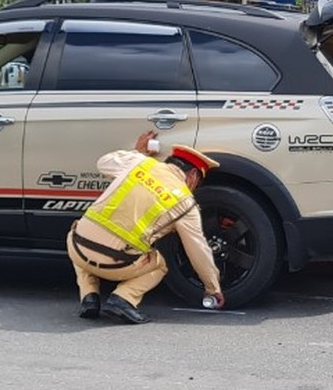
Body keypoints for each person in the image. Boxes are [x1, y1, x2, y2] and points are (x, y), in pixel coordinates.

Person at [66, 132, 223, 324]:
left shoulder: (139, 163)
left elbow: (103, 162)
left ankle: (89, 296)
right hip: (116, 263)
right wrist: (212, 288)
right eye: (198, 183)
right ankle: (124, 298)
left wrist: (139, 152)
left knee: (82, 235)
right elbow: (198, 250)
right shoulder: (185, 202)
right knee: (160, 264)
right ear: (192, 176)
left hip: (77, 248)